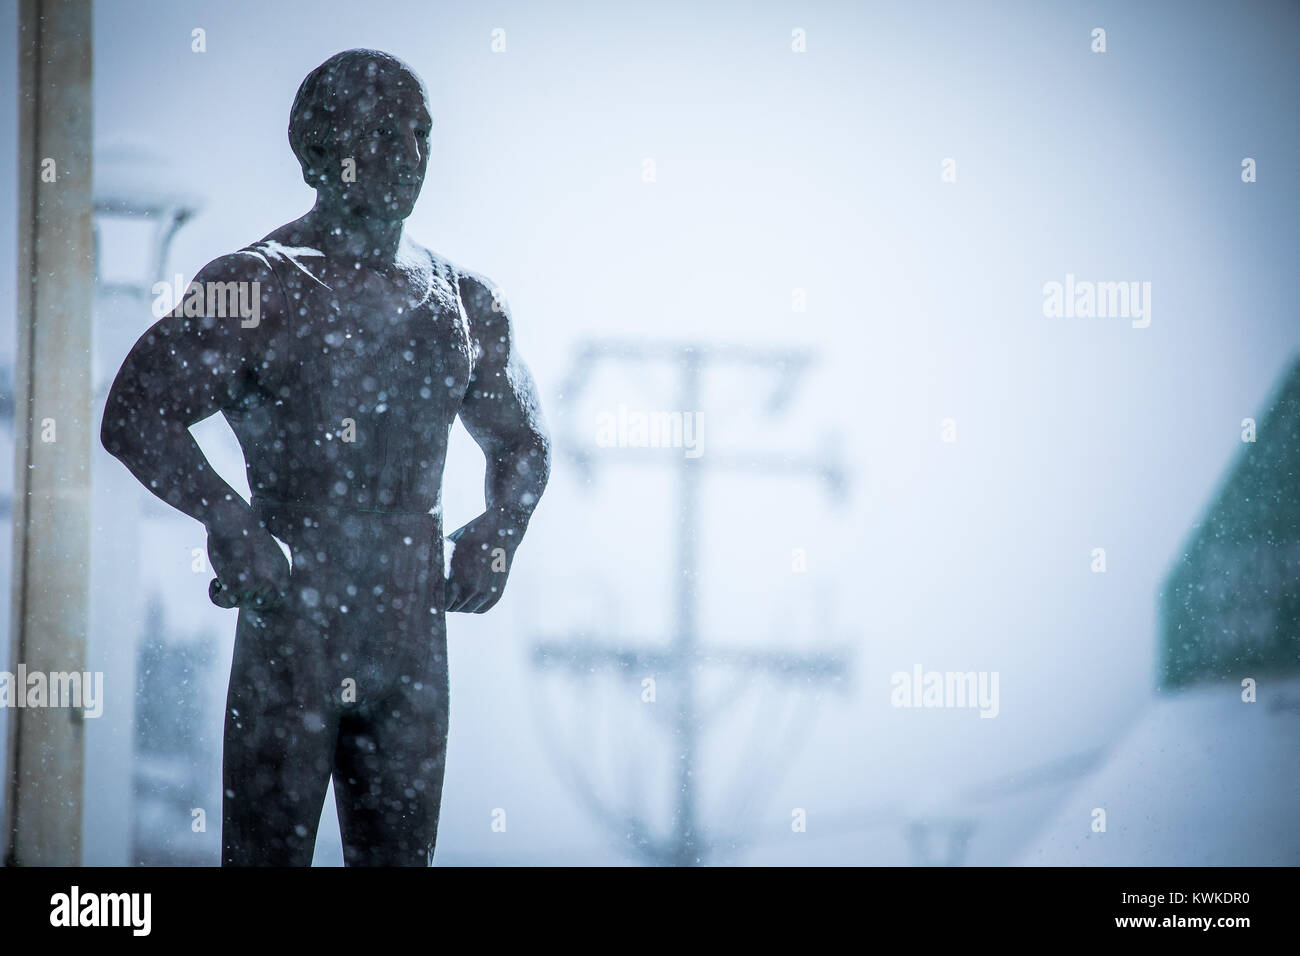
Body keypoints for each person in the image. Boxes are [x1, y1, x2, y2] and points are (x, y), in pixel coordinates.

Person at [100, 49, 551, 866]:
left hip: (409, 628)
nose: (409, 153)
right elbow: (134, 411)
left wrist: (500, 528)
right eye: (383, 131)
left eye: (420, 132)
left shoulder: (463, 302)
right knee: (266, 856)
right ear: (316, 151)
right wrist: (227, 516)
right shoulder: (255, 286)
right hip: (294, 616)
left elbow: (524, 440)